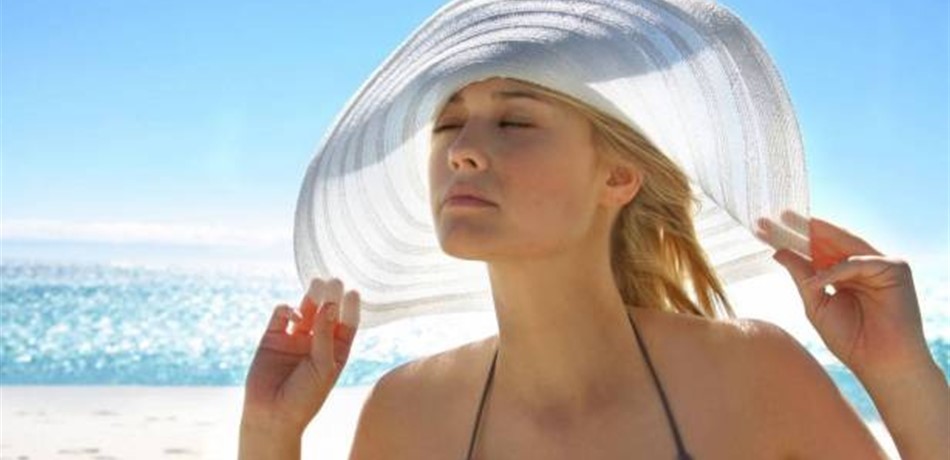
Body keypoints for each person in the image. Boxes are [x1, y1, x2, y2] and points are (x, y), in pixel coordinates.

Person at [240, 1, 948, 459]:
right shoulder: (408, 414)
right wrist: (270, 433)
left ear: (618, 177)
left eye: (515, 120)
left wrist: (900, 371)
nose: (463, 150)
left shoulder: (751, 374)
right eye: (449, 124)